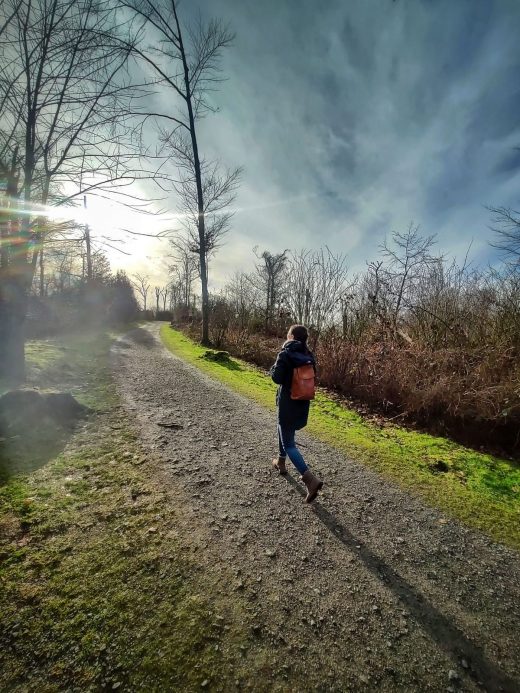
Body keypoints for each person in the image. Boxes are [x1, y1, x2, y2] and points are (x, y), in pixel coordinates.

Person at [270, 324, 323, 503]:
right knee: (284, 429)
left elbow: (276, 377)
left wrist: (273, 368)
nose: (287, 335)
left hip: (287, 402)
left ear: (292, 337)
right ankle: (281, 462)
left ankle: (310, 480)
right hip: (302, 402)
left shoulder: (285, 353)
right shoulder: (309, 356)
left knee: (289, 443)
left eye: (288, 333)